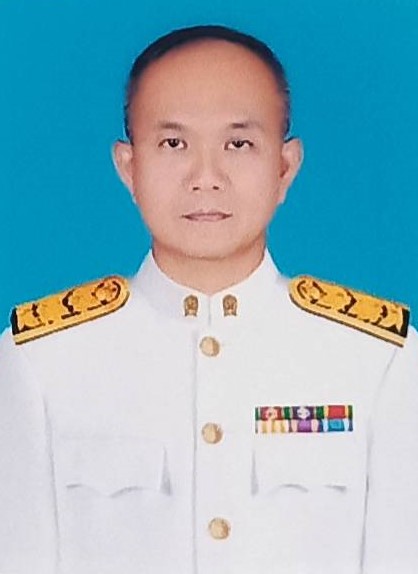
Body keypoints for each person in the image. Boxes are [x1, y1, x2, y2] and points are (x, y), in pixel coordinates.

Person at [0, 24, 417, 574]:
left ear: (285, 167)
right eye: (173, 144)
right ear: (129, 166)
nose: (206, 177)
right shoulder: (39, 359)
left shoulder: (380, 359)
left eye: (238, 144)